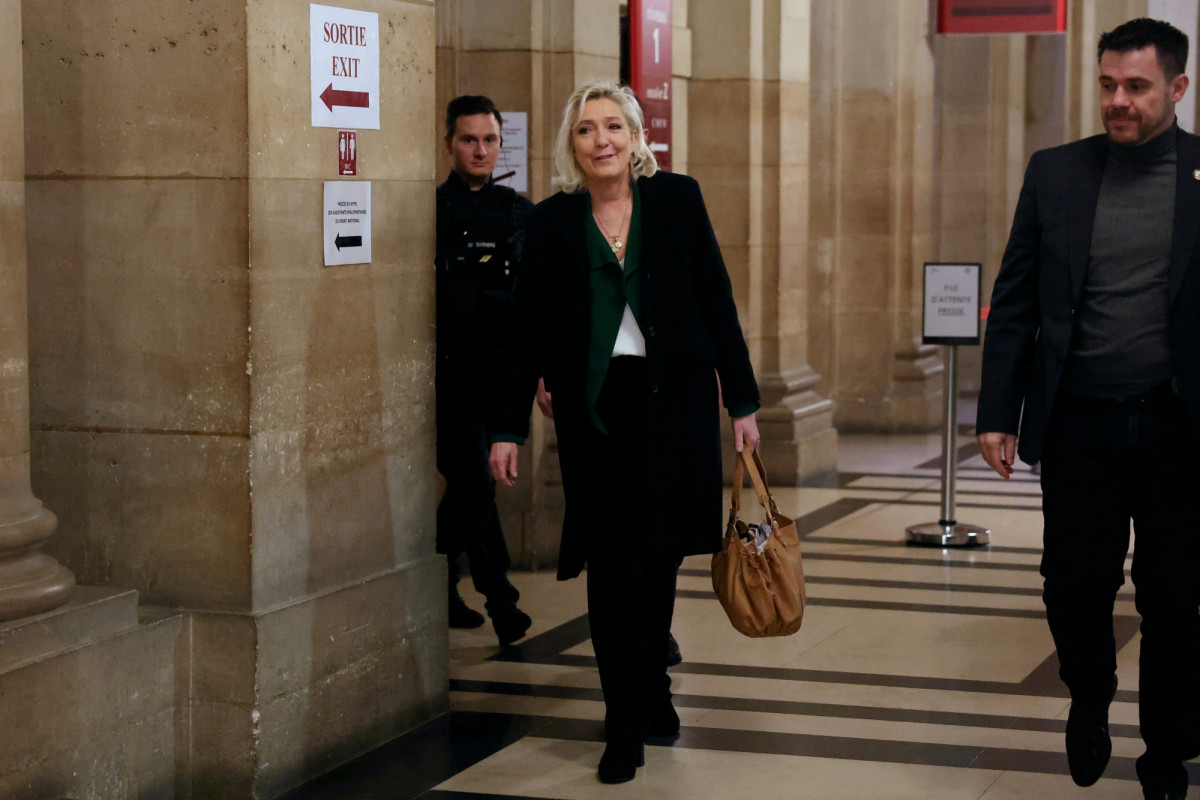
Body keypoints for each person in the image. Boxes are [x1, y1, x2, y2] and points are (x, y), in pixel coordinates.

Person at [488, 80, 761, 784]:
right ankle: (624, 722)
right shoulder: (551, 223)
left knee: (659, 555)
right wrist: (506, 425)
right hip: (596, 412)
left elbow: (716, 298)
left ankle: (654, 685)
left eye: (614, 126)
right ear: (571, 145)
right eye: (586, 129)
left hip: (674, 404)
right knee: (613, 563)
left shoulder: (677, 200)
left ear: (638, 137)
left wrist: (745, 404)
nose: (602, 140)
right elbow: (526, 328)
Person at [976, 19, 1200, 800]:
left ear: (1176, 88)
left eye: (1136, 86)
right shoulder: (1057, 173)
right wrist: (996, 411)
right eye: (1107, 84)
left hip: (1179, 428)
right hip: (1080, 424)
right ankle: (1091, 695)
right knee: (1074, 585)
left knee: (1177, 596)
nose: (1118, 101)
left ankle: (1167, 752)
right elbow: (1014, 302)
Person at [436, 95, 533, 646]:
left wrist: (540, 373)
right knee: (474, 481)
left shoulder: (520, 212)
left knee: (476, 489)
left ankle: (442, 580)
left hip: (501, 378)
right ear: (449, 142)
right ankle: (503, 603)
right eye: (469, 139)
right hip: (448, 378)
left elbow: (536, 300)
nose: (480, 149)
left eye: (489, 140)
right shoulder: (432, 211)